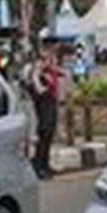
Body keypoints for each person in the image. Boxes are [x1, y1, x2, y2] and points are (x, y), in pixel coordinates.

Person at [30, 43, 65, 180]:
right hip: (44, 107)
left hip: (51, 106)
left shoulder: (50, 71)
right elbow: (38, 89)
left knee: (48, 137)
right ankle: (39, 167)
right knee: (44, 137)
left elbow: (62, 73)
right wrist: (37, 74)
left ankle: (45, 165)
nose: (50, 60)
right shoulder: (38, 74)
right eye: (46, 58)